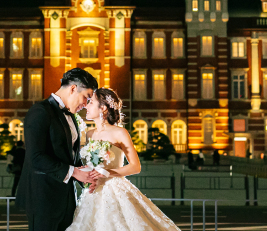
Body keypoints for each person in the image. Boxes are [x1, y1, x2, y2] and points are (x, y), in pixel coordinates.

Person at [65, 87, 182, 231]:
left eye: (91, 102)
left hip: (114, 190)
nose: (86, 106)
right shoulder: (89, 134)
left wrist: (107, 172)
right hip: (92, 193)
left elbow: (135, 166)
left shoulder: (120, 133)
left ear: (103, 108)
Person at [15, 67, 98, 231]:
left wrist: (87, 175)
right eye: (85, 97)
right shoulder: (40, 111)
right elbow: (35, 157)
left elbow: (70, 157)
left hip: (67, 200)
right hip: (43, 199)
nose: (85, 104)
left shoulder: (72, 117)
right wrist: (75, 172)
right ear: (73, 88)